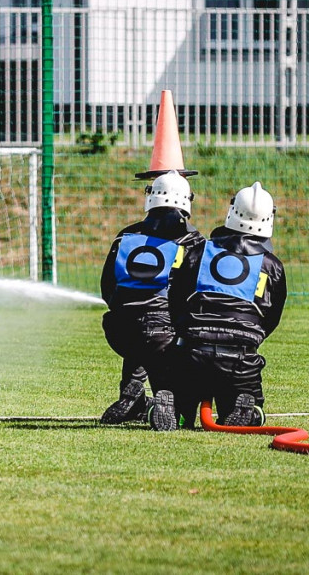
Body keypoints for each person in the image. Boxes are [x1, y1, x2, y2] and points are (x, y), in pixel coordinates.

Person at [160, 181, 287, 431]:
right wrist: (251, 338)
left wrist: (185, 332)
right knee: (249, 412)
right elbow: (272, 316)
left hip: (192, 350)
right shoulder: (272, 265)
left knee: (180, 388)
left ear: (232, 211)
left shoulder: (199, 251)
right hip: (241, 358)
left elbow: (175, 299)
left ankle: (177, 408)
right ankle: (246, 408)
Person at [98, 171, 199, 425]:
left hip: (117, 329)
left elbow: (107, 286)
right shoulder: (193, 241)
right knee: (161, 339)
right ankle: (166, 393)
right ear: (187, 201)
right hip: (161, 332)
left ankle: (131, 390)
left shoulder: (125, 236)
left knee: (140, 331)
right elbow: (195, 293)